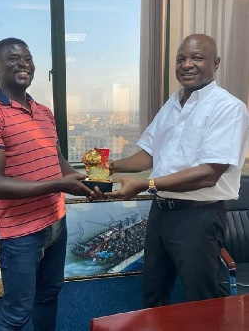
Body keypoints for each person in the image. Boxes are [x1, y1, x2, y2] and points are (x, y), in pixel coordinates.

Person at [105, 34, 249, 308]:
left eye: (197, 57)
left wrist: (145, 185)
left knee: (201, 298)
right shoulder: (173, 103)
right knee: (153, 290)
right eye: (181, 58)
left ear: (215, 63)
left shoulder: (228, 108)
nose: (187, 65)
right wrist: (108, 168)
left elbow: (208, 173)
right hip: (161, 213)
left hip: (198, 217)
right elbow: (148, 155)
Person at [0, 37, 97, 331]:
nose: (22, 63)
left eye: (27, 58)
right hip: (20, 233)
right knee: (16, 314)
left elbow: (58, 161)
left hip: (55, 223)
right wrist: (58, 184)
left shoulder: (44, 112)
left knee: (48, 296)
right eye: (12, 59)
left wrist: (90, 183)